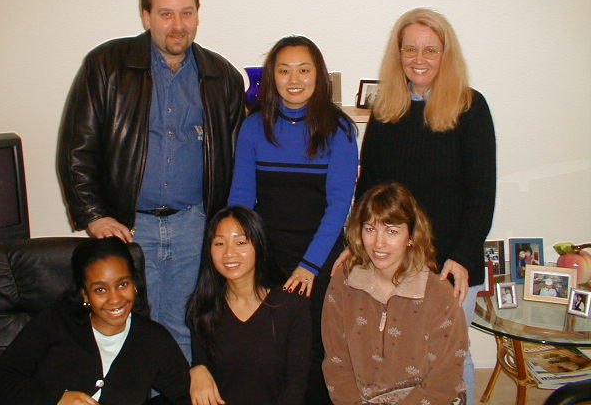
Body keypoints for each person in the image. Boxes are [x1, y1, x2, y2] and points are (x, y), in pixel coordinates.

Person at [57, 0, 246, 361]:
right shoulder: (107, 65)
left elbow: (235, 159)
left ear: (198, 14)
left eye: (186, 13)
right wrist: (93, 216)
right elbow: (77, 148)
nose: (178, 25)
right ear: (146, 16)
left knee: (186, 326)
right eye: (166, 14)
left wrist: (223, 224)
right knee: (128, 329)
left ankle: (177, 390)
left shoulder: (222, 77)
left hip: (193, 225)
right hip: (129, 227)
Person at [352, 7, 496, 403]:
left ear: (446, 54)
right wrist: (360, 247)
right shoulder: (386, 108)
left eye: (430, 50)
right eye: (410, 49)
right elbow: (369, 190)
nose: (419, 59)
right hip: (394, 263)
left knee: (449, 363)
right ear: (398, 53)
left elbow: (482, 192)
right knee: (397, 363)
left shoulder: (470, 107)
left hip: (450, 263)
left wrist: (462, 257)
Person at [228, 36, 358, 403]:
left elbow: (339, 207)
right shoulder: (254, 126)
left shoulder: (340, 129)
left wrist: (309, 266)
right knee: (269, 347)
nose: (294, 79)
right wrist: (241, 253)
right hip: (266, 254)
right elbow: (241, 199)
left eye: (304, 70)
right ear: (272, 76)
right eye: (284, 71)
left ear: (319, 75)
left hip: (320, 256)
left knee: (315, 348)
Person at [0, 238, 191, 405]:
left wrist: (197, 372)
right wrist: (56, 399)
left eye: (123, 284)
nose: (115, 299)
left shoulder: (153, 339)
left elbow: (185, 394)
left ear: (135, 284)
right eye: (100, 289)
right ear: (85, 294)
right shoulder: (56, 322)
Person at [322, 182, 468, 404]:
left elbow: (444, 380)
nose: (378, 243)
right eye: (370, 229)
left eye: (392, 231)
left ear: (411, 236)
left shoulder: (439, 294)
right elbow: (336, 362)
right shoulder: (344, 282)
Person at [187, 206, 311, 405]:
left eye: (241, 242)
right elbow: (202, 375)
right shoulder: (204, 306)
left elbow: (297, 384)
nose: (229, 253)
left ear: (259, 244)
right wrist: (196, 369)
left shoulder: (291, 303)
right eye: (219, 243)